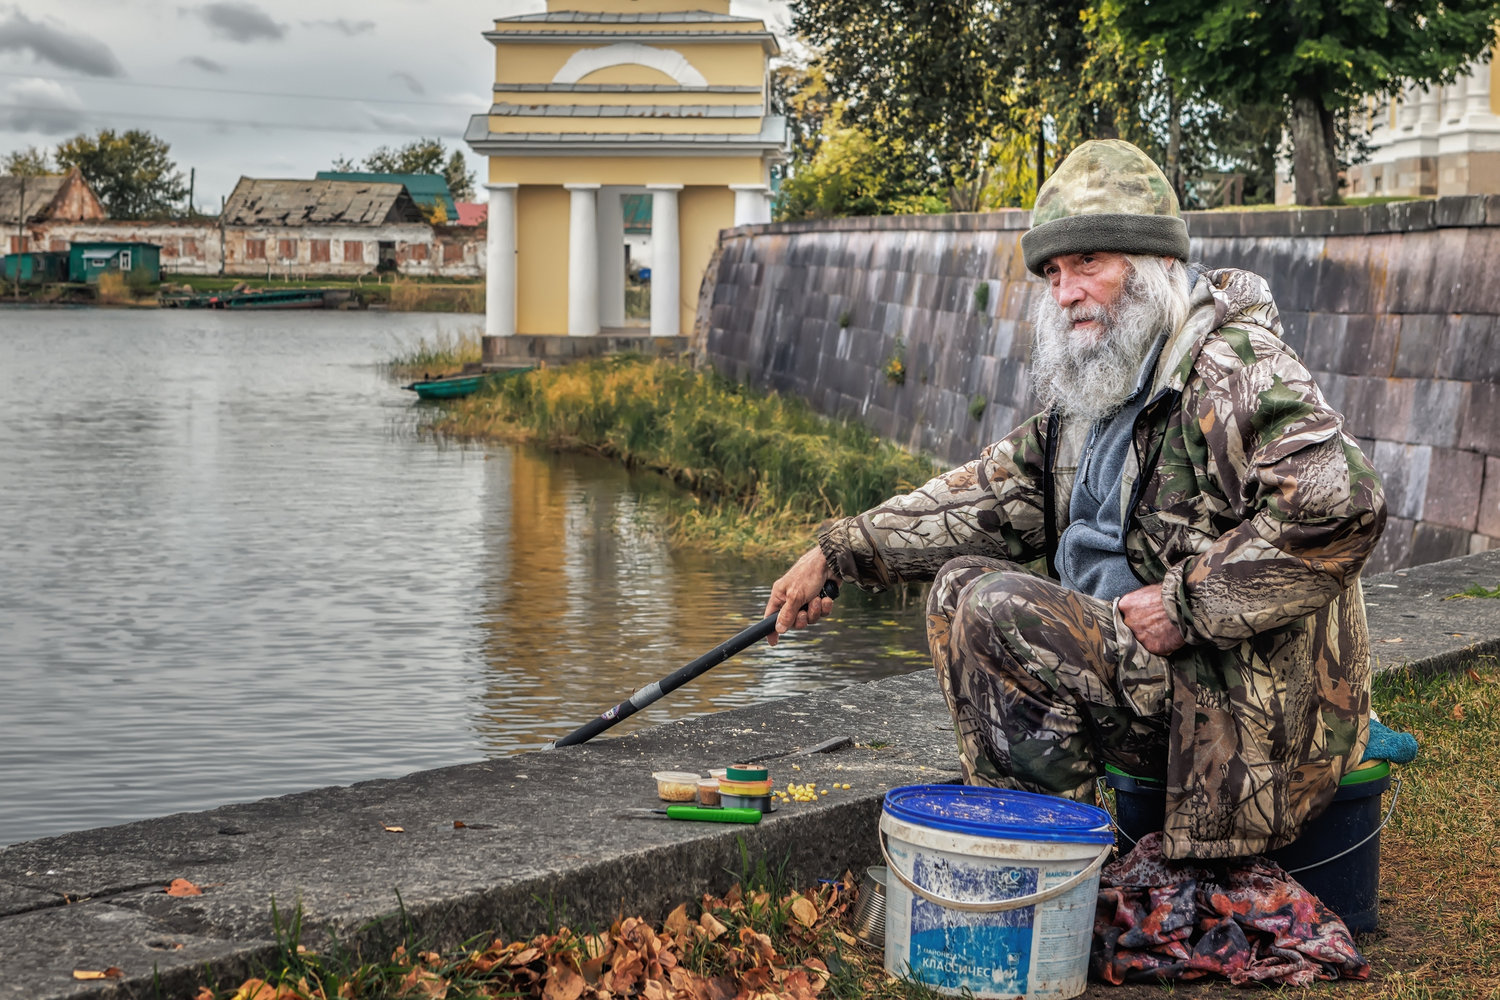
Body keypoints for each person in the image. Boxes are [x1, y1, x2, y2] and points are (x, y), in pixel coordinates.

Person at [765, 139, 1386, 860]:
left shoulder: (1230, 366)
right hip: (1155, 681)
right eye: (1054, 272)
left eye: (1089, 263)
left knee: (1001, 611)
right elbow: (986, 494)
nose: (1065, 292)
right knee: (958, 587)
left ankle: (1047, 867)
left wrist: (1188, 604)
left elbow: (1344, 503)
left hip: (1244, 715)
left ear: (1155, 265)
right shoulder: (1103, 386)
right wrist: (837, 554)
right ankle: (1036, 850)